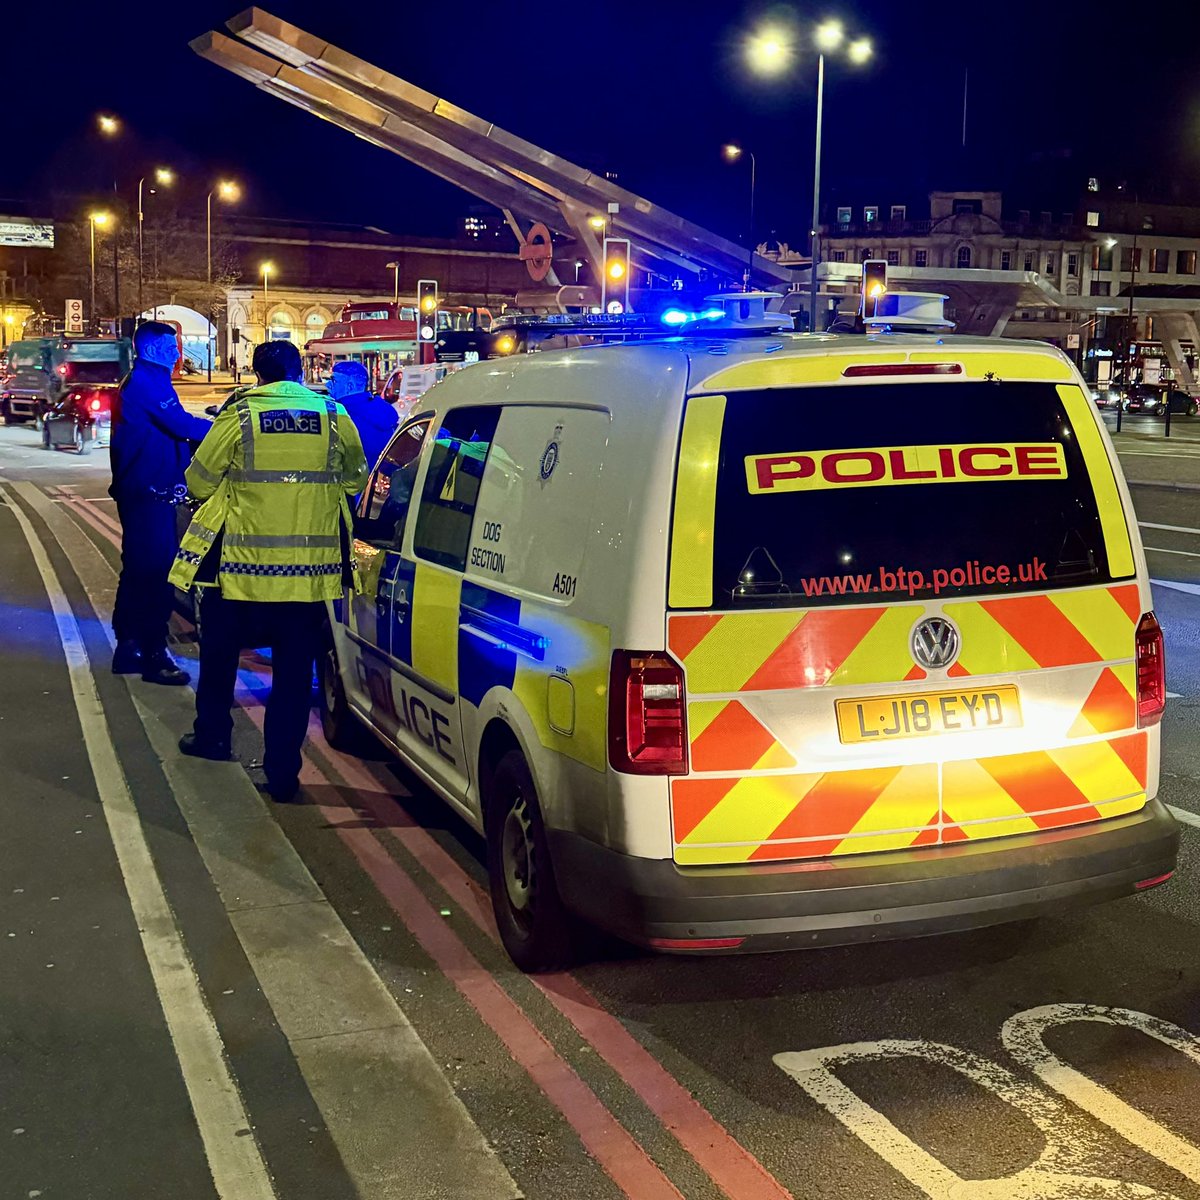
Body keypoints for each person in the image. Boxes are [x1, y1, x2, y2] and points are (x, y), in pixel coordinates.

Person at [169, 340, 368, 801]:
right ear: (300, 372)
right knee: (295, 679)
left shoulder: (240, 415)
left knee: (219, 659)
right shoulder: (334, 415)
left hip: (240, 574)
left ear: (258, 374)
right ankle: (283, 773)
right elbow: (356, 477)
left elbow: (198, 479)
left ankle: (215, 737)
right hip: (306, 579)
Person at [110, 320, 212, 684]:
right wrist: (228, 428)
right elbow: (181, 426)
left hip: (144, 492)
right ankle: (154, 653)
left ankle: (129, 648)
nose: (177, 353)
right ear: (152, 350)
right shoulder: (146, 382)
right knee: (155, 574)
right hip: (149, 494)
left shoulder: (146, 379)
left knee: (138, 571)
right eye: (171, 348)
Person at [326, 359, 398, 470]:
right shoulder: (384, 410)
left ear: (350, 386)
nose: (328, 384)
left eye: (333, 381)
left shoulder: (343, 417)